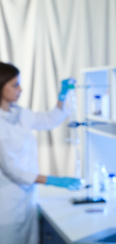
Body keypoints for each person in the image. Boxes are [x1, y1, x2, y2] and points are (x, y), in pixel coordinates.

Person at [0, 62, 83, 244]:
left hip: (27, 201)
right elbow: (12, 170)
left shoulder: (18, 113)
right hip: (6, 208)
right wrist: (54, 180)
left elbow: (49, 120)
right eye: (15, 85)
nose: (20, 89)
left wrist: (62, 96)